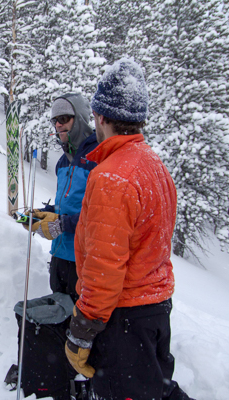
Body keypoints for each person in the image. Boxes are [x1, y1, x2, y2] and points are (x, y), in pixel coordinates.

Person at [64, 58, 193, 400]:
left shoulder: (111, 176)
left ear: (101, 116)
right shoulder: (154, 165)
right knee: (157, 390)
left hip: (123, 318)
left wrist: (82, 328)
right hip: (154, 309)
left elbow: (105, 264)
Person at [26, 93, 98, 303]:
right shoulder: (63, 162)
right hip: (59, 257)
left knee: (78, 324)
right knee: (58, 323)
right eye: (55, 120)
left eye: (64, 118)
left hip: (84, 261)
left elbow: (101, 216)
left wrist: (64, 223)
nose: (58, 125)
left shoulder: (98, 157)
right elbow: (67, 205)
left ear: (80, 118)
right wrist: (45, 215)